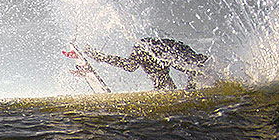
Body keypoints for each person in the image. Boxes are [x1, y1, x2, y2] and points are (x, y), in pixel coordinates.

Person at [82, 38, 213, 90]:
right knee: (165, 86)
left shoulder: (178, 59)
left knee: (166, 85)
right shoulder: (152, 57)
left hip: (165, 49)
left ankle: (98, 56)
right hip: (152, 47)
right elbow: (129, 65)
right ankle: (98, 56)